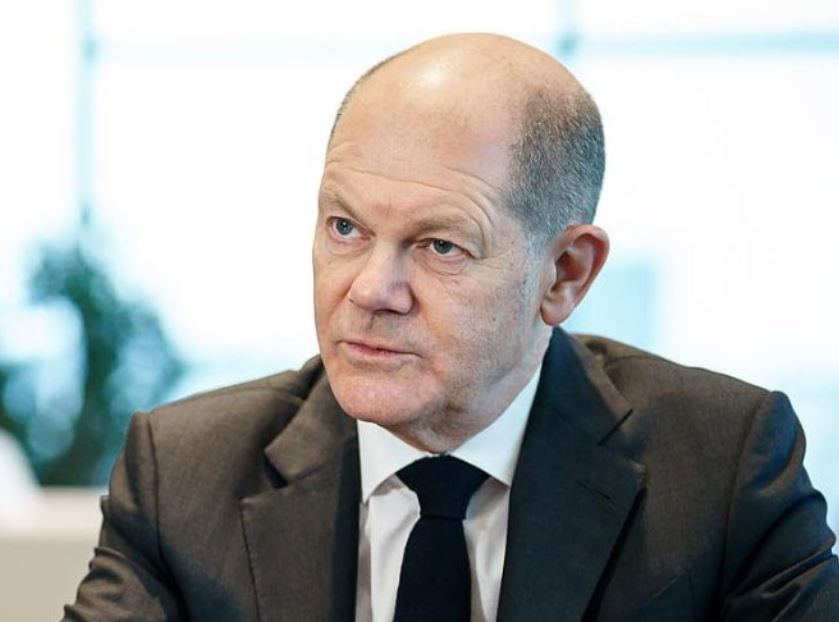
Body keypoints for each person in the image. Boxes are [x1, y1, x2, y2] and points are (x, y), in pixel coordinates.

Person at [64, 33, 839, 621]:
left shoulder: (721, 472)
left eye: (440, 246)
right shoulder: (183, 478)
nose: (371, 290)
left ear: (564, 274)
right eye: (345, 228)